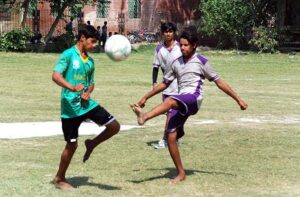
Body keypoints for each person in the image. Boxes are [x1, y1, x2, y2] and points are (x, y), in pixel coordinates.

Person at [131, 27, 248, 183]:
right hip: (182, 98)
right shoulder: (176, 62)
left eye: (186, 45)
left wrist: (238, 99)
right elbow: (165, 84)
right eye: (181, 45)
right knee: (170, 136)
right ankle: (181, 173)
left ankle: (145, 117)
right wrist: (145, 97)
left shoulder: (201, 61)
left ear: (194, 45)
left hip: (194, 98)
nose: (183, 48)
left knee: (170, 101)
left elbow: (219, 82)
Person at [51, 24, 120, 190]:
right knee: (72, 144)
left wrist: (88, 92)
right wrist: (71, 87)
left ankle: (92, 144)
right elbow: (55, 76)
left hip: (86, 104)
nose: (95, 45)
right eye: (92, 41)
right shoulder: (68, 55)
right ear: (82, 38)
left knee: (114, 126)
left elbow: (91, 84)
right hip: (70, 108)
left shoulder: (90, 61)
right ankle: (59, 178)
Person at [151, 22, 182, 149]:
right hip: (166, 86)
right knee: (170, 114)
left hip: (180, 85)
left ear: (174, 32)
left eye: (170, 31)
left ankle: (170, 139)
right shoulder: (159, 49)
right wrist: (154, 83)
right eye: (166, 31)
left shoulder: (181, 47)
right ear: (163, 33)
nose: (168, 34)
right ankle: (169, 139)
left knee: (175, 114)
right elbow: (155, 67)